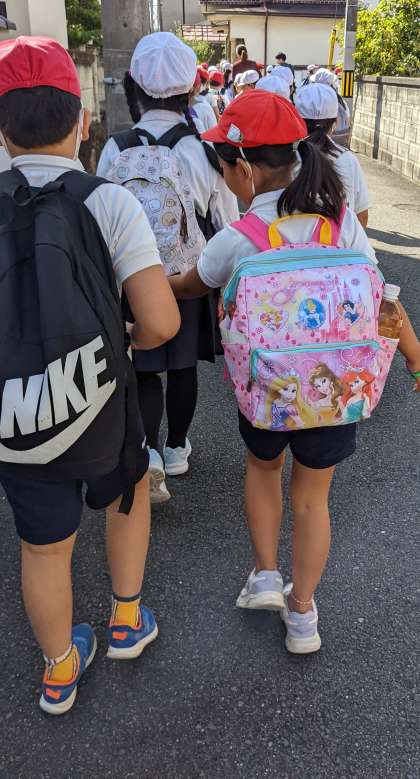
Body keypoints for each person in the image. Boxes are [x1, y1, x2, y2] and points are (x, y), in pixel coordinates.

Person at [168, 90, 420, 654]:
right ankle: (302, 613)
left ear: (244, 168)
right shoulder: (340, 225)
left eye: (225, 166)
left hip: (268, 392)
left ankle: (264, 573)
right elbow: (382, 298)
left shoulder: (240, 238)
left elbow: (190, 286)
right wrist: (413, 355)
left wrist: (150, 282)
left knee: (263, 470)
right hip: (335, 394)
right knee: (312, 499)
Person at [0, 36, 181, 713]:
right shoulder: (108, 203)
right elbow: (160, 322)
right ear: (82, 122)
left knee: (43, 547)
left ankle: (59, 669)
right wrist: (124, 339)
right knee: (128, 493)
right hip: (101, 396)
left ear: (2, 130)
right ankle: (126, 619)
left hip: (16, 409)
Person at [97, 32, 239, 504]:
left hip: (131, 280)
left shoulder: (115, 148)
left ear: (133, 85)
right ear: (193, 87)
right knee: (181, 366)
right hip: (187, 280)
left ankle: (150, 450)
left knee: (140, 366)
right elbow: (226, 221)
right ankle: (177, 447)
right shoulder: (202, 151)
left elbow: (100, 215)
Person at [295, 83, 370, 227]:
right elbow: (362, 215)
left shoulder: (289, 158)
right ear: (336, 121)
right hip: (340, 240)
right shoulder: (348, 159)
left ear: (297, 120)